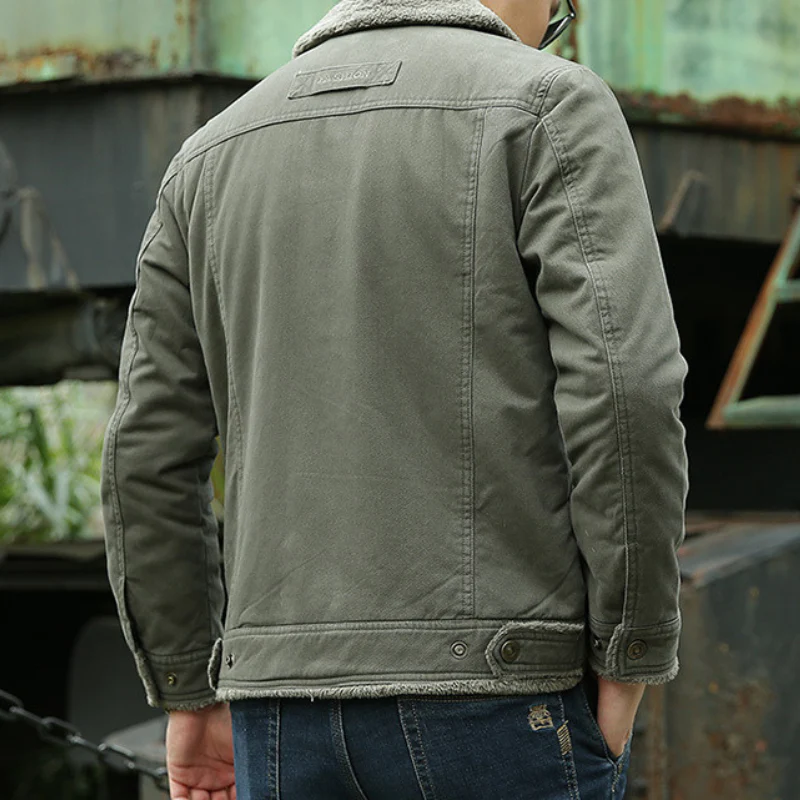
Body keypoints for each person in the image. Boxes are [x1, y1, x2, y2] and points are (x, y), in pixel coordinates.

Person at [101, 0, 689, 797]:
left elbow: (144, 450)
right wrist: (630, 654)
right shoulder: (548, 106)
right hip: (502, 692)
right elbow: (627, 393)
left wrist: (190, 687)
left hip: (279, 713)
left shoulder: (207, 157)